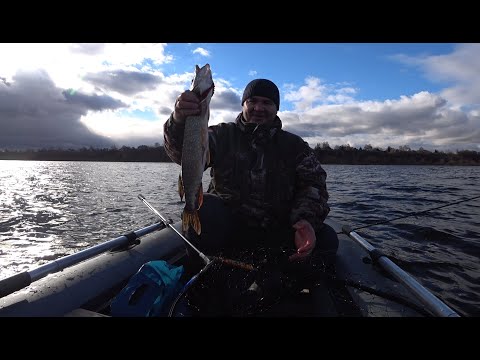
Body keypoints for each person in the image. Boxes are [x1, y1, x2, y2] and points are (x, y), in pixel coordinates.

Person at [163, 78, 339, 282]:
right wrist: (178, 119)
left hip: (278, 229)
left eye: (267, 103)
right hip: (230, 227)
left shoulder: (295, 145)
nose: (258, 108)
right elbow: (181, 152)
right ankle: (203, 276)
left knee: (327, 239)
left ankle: (290, 280)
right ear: (243, 104)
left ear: (276, 108)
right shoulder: (221, 135)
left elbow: (314, 185)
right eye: (252, 101)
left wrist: (305, 220)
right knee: (204, 209)